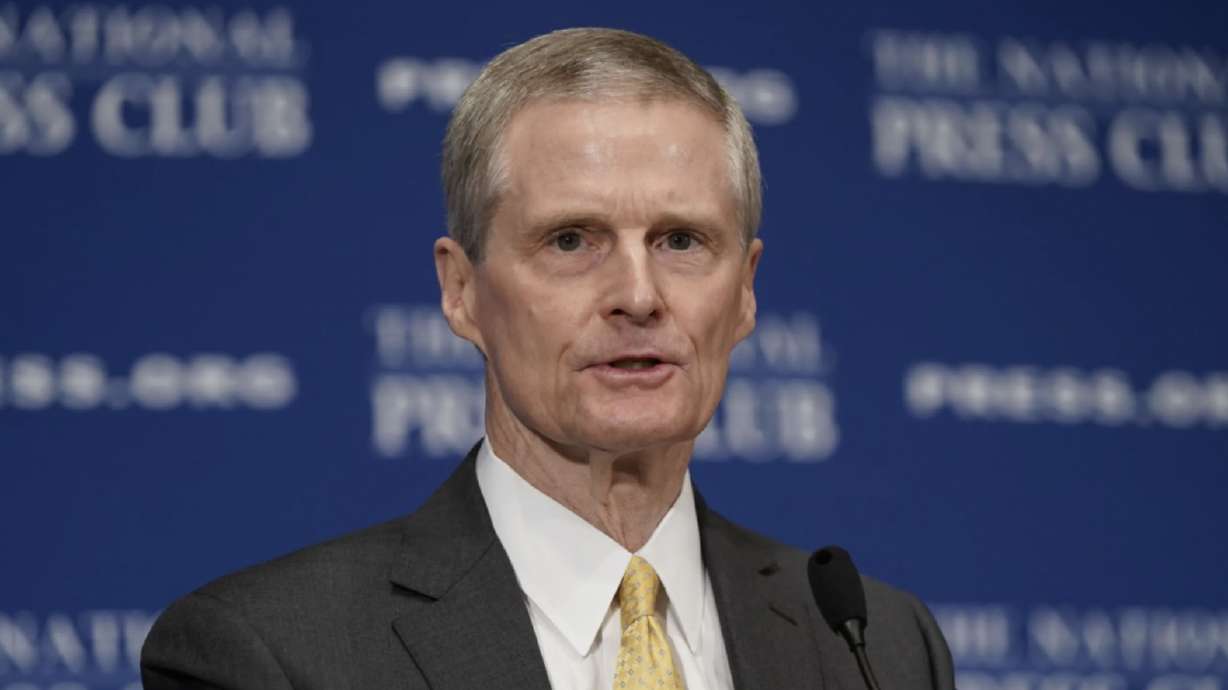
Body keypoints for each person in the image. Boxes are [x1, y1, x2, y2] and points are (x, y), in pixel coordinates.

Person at [140, 27, 954, 690]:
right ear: (462, 291)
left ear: (744, 291)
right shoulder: (270, 655)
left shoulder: (879, 646)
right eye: (571, 240)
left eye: (681, 241)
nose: (638, 294)